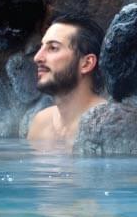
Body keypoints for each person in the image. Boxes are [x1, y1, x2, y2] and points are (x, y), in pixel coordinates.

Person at [27, 14, 107, 146]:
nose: (37, 57)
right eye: (41, 47)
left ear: (86, 64)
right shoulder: (41, 123)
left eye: (53, 48)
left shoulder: (106, 123)